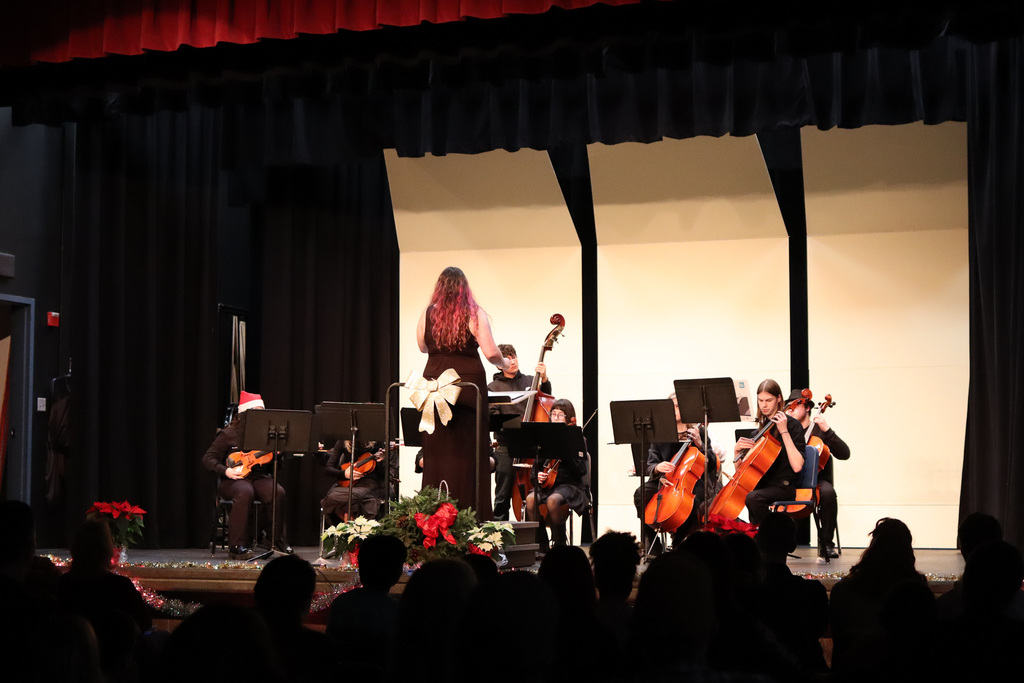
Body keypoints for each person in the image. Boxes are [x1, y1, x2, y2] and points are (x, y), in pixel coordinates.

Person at [416, 267, 508, 519]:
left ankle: (435, 518)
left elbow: (422, 347)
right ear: (464, 289)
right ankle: (470, 516)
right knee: (469, 451)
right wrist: (504, 363)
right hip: (466, 385)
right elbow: (491, 353)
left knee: (437, 450)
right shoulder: (474, 313)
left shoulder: (427, 313)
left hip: (435, 384)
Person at [202, 390, 290, 559]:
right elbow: (208, 458)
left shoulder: (266, 435)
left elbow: (275, 467)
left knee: (277, 492)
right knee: (244, 492)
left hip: (258, 476)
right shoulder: (228, 434)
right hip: (232, 478)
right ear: (244, 413)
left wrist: (278, 455)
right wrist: (226, 470)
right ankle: (237, 545)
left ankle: (275, 540)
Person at [634, 392, 718, 554]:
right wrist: (658, 468)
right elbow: (650, 465)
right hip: (664, 481)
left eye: (678, 406)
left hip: (694, 481)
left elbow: (713, 462)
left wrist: (700, 445)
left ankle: (679, 543)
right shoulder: (661, 433)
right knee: (641, 493)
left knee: (691, 502)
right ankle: (652, 541)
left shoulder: (698, 432)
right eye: (671, 407)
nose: (674, 410)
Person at [784, 388, 850, 559]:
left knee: (828, 493)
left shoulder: (819, 431)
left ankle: (826, 544)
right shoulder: (786, 431)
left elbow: (844, 454)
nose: (790, 410)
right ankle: (778, 542)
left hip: (818, 480)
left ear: (808, 407)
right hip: (791, 479)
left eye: (796, 405)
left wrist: (827, 430)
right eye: (788, 407)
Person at [487, 343, 551, 521]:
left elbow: (545, 400)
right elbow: (493, 417)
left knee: (533, 491)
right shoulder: (493, 387)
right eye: (507, 359)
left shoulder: (531, 381)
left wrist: (544, 380)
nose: (512, 361)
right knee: (502, 494)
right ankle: (500, 532)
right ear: (499, 365)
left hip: (530, 445)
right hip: (506, 446)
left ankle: (535, 531)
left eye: (513, 357)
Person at [733, 379, 805, 524]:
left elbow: (797, 466)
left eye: (768, 400)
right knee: (745, 496)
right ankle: (759, 533)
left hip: (784, 486)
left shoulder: (793, 426)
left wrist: (784, 431)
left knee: (753, 498)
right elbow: (742, 473)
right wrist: (736, 452)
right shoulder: (758, 432)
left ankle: (771, 531)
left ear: (778, 399)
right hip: (763, 486)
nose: (764, 405)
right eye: (760, 400)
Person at [525, 398, 589, 549]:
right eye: (553, 414)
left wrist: (568, 453)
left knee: (552, 501)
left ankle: (560, 544)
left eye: (560, 415)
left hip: (570, 485)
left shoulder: (577, 439)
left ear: (569, 418)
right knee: (530, 499)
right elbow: (535, 469)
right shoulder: (545, 439)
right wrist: (538, 475)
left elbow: (581, 471)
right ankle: (541, 543)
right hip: (549, 486)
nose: (555, 418)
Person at [320, 440, 394, 522]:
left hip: (369, 484)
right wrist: (344, 474)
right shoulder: (342, 441)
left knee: (351, 502)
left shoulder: (377, 442)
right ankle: (354, 527)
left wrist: (382, 460)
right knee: (332, 499)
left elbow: (383, 475)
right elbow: (328, 469)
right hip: (347, 483)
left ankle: (352, 527)